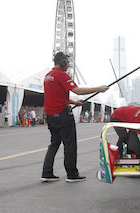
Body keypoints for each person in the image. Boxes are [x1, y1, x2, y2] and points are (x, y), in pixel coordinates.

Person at [41, 52, 108, 183]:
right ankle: (72, 174)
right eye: (67, 62)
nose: (68, 64)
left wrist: (74, 102)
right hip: (63, 116)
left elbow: (58, 96)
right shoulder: (61, 75)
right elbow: (77, 90)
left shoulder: (48, 76)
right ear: (61, 62)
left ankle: (46, 172)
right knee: (69, 145)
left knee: (54, 144)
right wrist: (98, 89)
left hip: (51, 117)